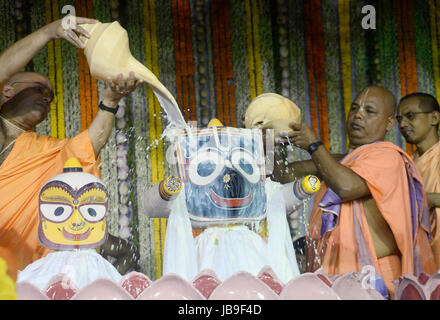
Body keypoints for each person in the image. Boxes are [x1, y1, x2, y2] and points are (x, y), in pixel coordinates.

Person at [0, 17, 142, 279]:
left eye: (51, 95)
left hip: (43, 283)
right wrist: (48, 32)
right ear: (7, 90)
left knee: (124, 250)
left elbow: (94, 141)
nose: (48, 97)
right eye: (40, 88)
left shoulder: (49, 149)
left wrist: (110, 101)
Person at [273, 86, 436, 299]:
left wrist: (313, 145)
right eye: (355, 108)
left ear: (389, 123)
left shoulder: (389, 158)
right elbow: (280, 174)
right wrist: (266, 136)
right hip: (337, 280)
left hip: (373, 281)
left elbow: (347, 187)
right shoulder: (341, 161)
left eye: (369, 111)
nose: (358, 115)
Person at [397, 92, 440, 270]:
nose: (402, 124)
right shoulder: (405, 164)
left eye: (410, 116)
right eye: (399, 119)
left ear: (434, 117)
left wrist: (430, 199)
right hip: (421, 255)